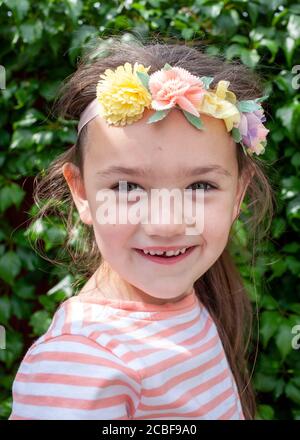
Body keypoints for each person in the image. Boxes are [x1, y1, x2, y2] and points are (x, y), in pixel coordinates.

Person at [9, 35, 274, 420]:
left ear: (238, 193)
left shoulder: (187, 304)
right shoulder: (80, 360)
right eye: (127, 187)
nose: (166, 224)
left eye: (201, 186)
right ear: (81, 193)